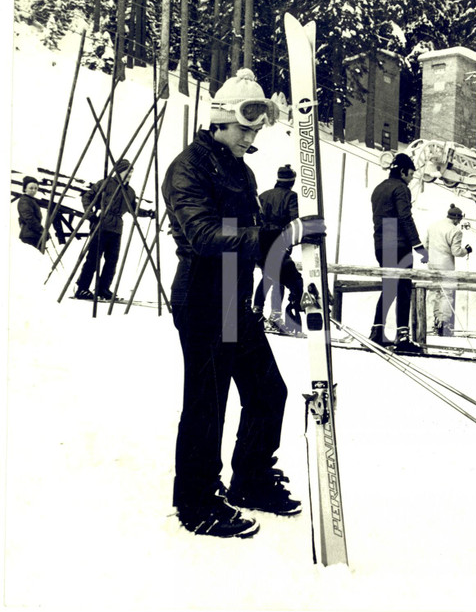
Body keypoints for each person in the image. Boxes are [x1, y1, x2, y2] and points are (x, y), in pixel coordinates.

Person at [162, 68, 319, 538]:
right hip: (203, 292)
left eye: (256, 130)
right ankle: (195, 501)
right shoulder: (188, 167)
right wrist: (281, 233)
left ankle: (249, 480)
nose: (251, 137)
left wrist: (292, 279)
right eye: (244, 127)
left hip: (234, 295)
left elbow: (257, 240)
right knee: (207, 402)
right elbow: (205, 235)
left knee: (268, 391)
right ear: (219, 119)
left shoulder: (242, 171)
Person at [371, 152, 429, 353]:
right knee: (403, 287)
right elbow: (405, 217)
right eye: (411, 173)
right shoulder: (400, 188)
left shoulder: (379, 189)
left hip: (382, 241)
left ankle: (377, 331)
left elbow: (386, 220)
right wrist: (418, 246)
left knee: (388, 287)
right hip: (399, 243)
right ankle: (402, 336)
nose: (411, 177)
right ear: (403, 171)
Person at [73, 159, 149, 300]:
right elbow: (87, 197)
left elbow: (134, 208)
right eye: (127, 173)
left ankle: (103, 289)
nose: (129, 177)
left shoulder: (130, 192)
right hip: (101, 225)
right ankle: (82, 288)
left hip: (117, 228)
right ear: (119, 172)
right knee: (93, 259)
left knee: (112, 260)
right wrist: (91, 215)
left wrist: (148, 213)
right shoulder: (105, 184)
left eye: (131, 174)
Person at [253, 164, 305, 334]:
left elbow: (255, 218)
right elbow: (294, 220)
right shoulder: (291, 196)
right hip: (277, 242)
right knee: (281, 278)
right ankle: (275, 317)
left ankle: (258, 313)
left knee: (269, 277)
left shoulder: (263, 196)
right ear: (292, 181)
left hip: (260, 242)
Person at [425, 204, 471, 336]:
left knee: (436, 294)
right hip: (446, 266)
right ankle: (444, 324)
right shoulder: (455, 231)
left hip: (432, 264)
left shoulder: (433, 226)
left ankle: (435, 322)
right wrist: (466, 250)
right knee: (446, 295)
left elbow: (426, 244)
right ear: (456, 218)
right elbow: (456, 251)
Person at [17, 176, 46, 252]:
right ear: (25, 188)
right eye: (31, 188)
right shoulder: (24, 201)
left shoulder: (30, 200)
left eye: (36, 188)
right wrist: (41, 230)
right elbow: (29, 218)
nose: (34, 190)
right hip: (29, 236)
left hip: (33, 235)